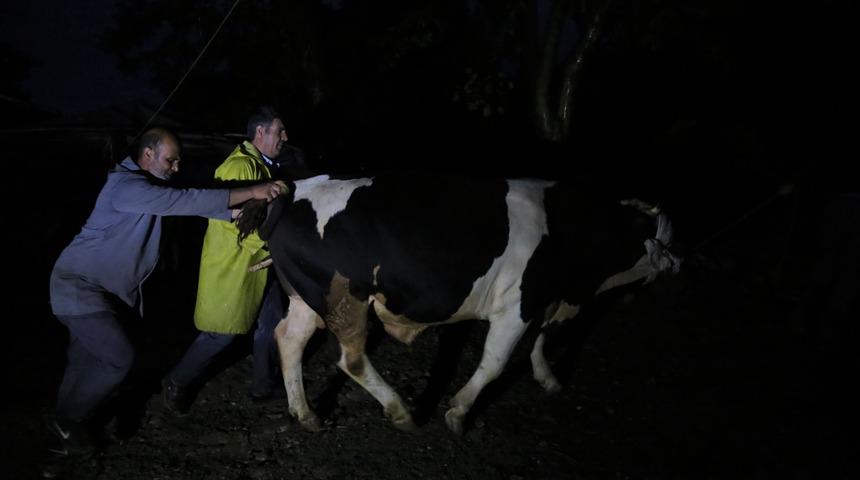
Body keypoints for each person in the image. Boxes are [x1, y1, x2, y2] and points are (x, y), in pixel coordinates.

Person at [46, 127, 286, 460]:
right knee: (118, 358)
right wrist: (253, 191)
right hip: (79, 287)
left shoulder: (151, 187)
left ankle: (61, 436)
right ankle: (67, 420)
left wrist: (234, 211)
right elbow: (185, 200)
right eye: (170, 161)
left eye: (178, 162)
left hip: (107, 293)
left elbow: (193, 204)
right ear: (147, 155)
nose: (176, 168)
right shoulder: (125, 186)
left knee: (83, 361)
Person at [161, 106, 291, 416]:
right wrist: (274, 243)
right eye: (279, 131)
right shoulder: (238, 168)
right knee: (221, 333)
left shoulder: (261, 166)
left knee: (270, 323)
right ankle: (176, 381)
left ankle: (262, 386)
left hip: (259, 264)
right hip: (233, 267)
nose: (285, 137)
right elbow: (239, 227)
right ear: (260, 133)